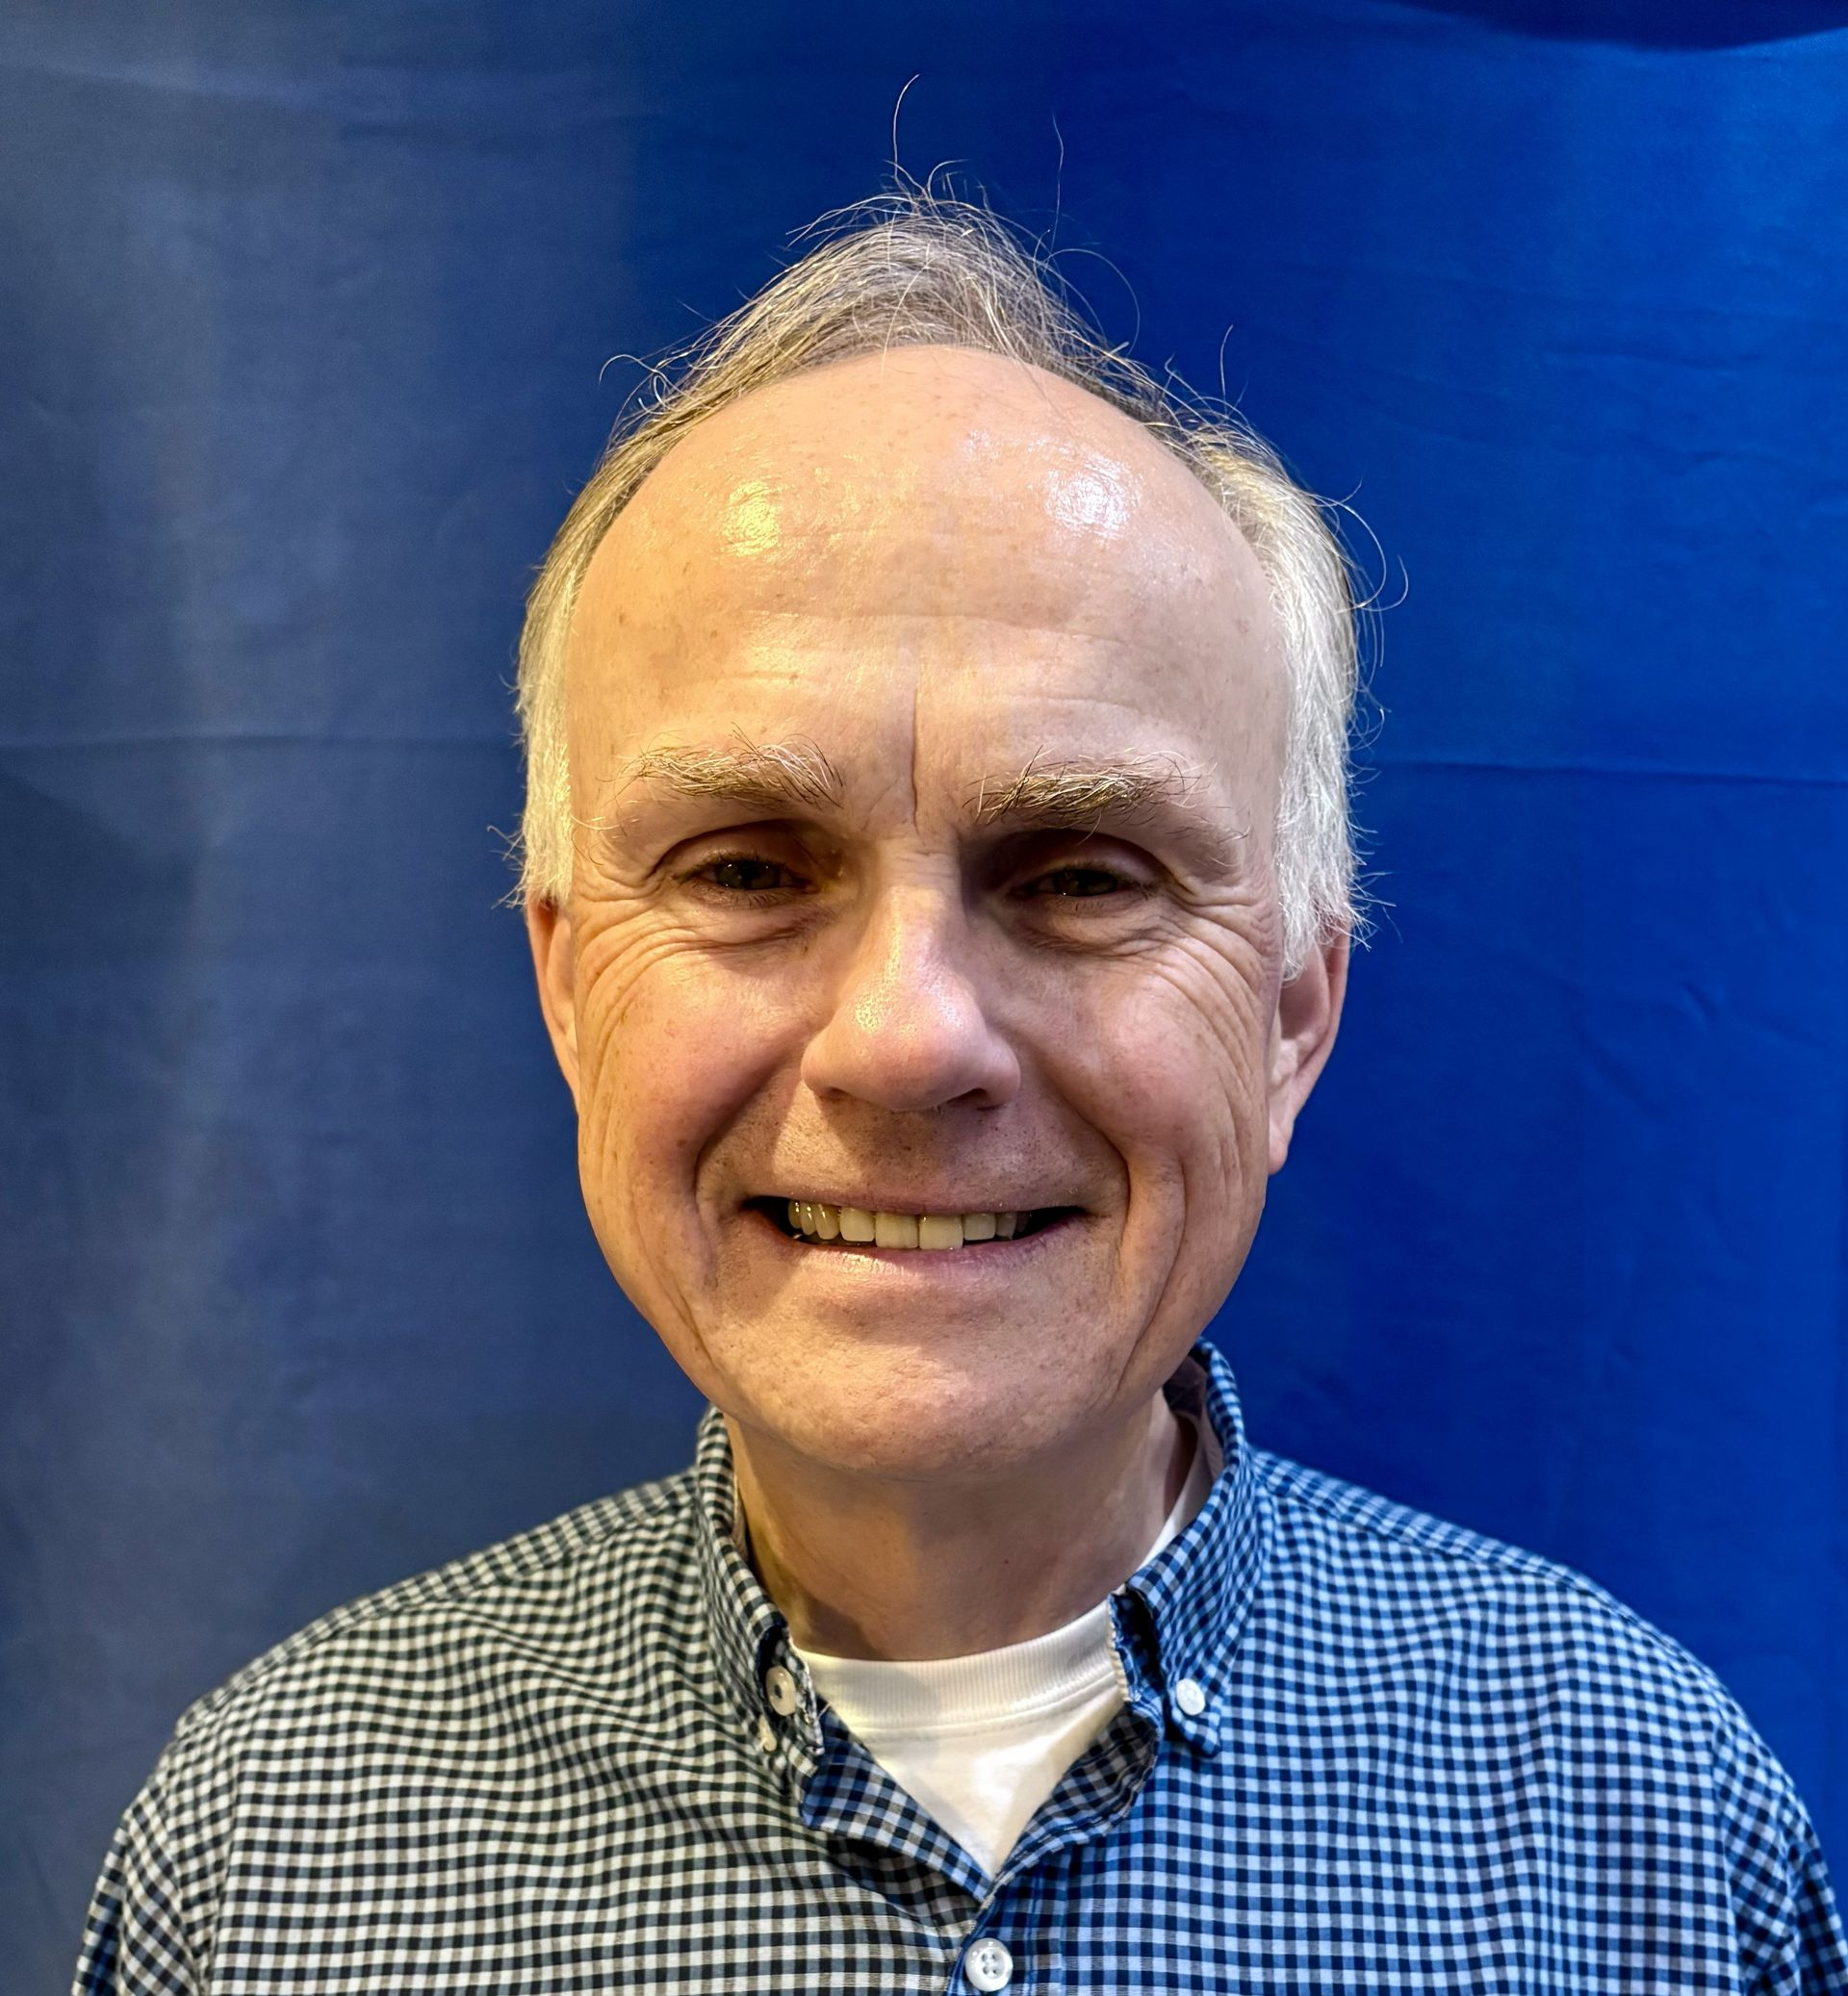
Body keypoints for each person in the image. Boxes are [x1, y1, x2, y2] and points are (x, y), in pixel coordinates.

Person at [74, 192, 1845, 1995]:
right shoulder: (269, 1856)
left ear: (1298, 1012)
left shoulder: (1652, 1840)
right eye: (749, 871)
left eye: (1083, 873)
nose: (907, 1042)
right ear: (566, 983)